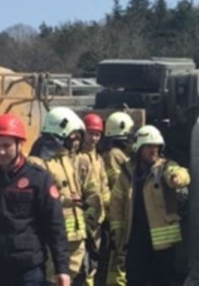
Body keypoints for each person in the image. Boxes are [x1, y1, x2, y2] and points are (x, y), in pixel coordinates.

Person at [0, 113, 70, 286]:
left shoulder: (39, 179)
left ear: (20, 144)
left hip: (28, 272)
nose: (1, 151)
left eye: (6, 146)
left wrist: (62, 268)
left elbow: (55, 226)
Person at [27, 107, 102, 285]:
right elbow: (38, 202)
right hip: (54, 240)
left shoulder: (69, 159)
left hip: (77, 237)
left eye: (78, 138)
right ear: (60, 135)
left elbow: (90, 192)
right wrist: (66, 201)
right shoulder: (36, 163)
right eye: (73, 138)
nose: (76, 143)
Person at [110, 125, 191, 286]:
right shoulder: (127, 172)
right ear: (139, 148)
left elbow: (181, 173)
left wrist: (178, 178)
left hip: (163, 242)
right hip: (136, 238)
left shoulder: (165, 167)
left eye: (156, 146)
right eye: (149, 146)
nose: (154, 150)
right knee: (136, 279)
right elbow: (116, 203)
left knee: (163, 280)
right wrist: (117, 233)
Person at [101, 111, 135, 286]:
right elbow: (119, 183)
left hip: (114, 211)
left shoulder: (111, 154)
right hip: (116, 212)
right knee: (118, 257)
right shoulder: (116, 155)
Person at [81, 113, 111, 286]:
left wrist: (109, 209)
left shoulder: (98, 158)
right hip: (86, 218)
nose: (93, 138)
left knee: (94, 262)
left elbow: (104, 187)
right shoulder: (79, 158)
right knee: (85, 263)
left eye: (97, 134)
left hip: (98, 220)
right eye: (90, 133)